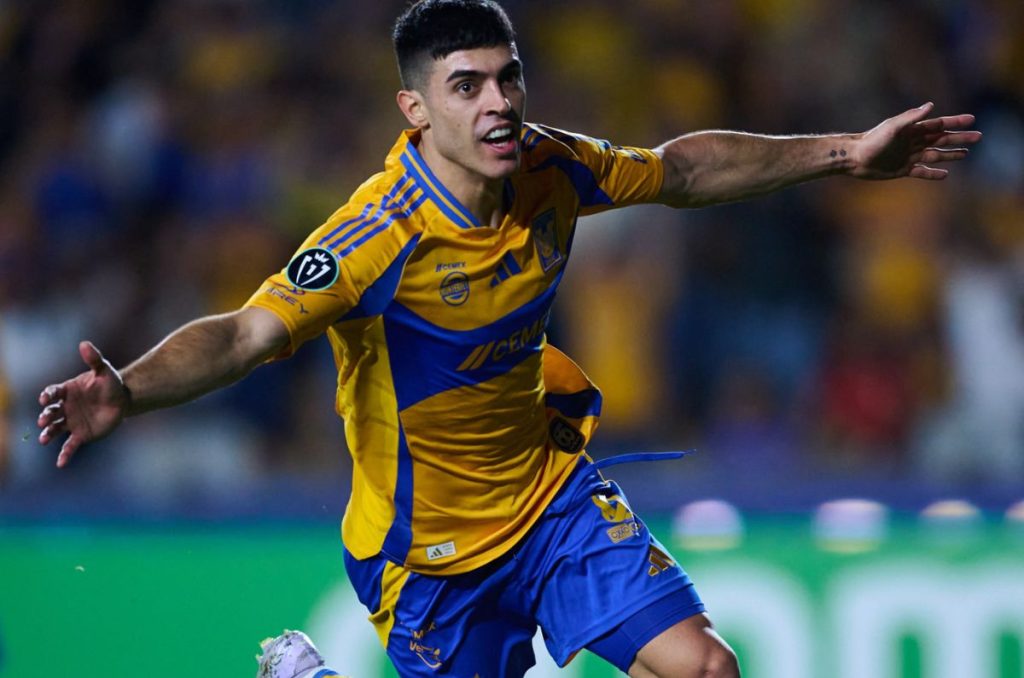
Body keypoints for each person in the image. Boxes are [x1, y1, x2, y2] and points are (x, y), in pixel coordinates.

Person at [37, 1, 980, 676]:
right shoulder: (375, 239)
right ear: (416, 109)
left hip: (550, 497)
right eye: (466, 86)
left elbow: (679, 172)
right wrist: (130, 388)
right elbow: (246, 333)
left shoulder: (549, 167)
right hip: (428, 555)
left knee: (705, 667)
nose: (498, 102)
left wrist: (846, 154)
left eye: (507, 76)